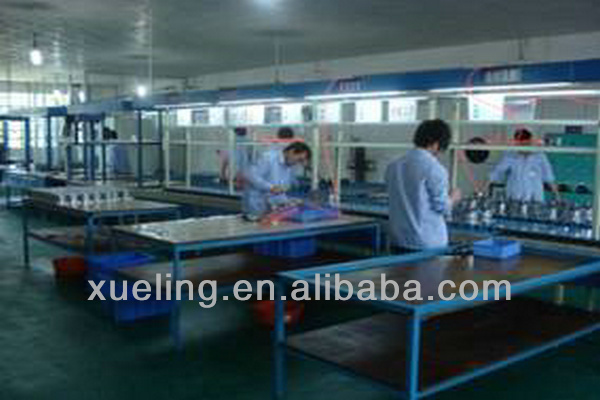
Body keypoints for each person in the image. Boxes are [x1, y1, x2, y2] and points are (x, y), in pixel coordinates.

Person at [385, 119, 461, 251]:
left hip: (398, 239)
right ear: (436, 144)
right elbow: (442, 207)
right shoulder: (434, 168)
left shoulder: (393, 165)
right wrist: (453, 198)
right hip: (427, 243)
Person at [243, 142, 311, 218]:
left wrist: (288, 201)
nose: (297, 163)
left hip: (271, 208)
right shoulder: (268, 158)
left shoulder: (289, 166)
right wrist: (271, 187)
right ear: (291, 151)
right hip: (256, 206)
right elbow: (251, 176)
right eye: (299, 159)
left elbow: (281, 189)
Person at [489, 129, 559, 202]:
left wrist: (557, 196)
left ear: (530, 141)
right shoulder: (510, 155)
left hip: (535, 199)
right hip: (515, 198)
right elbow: (496, 173)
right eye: (520, 145)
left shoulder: (539, 156)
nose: (523, 147)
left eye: (526, 144)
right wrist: (484, 188)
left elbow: (549, 177)